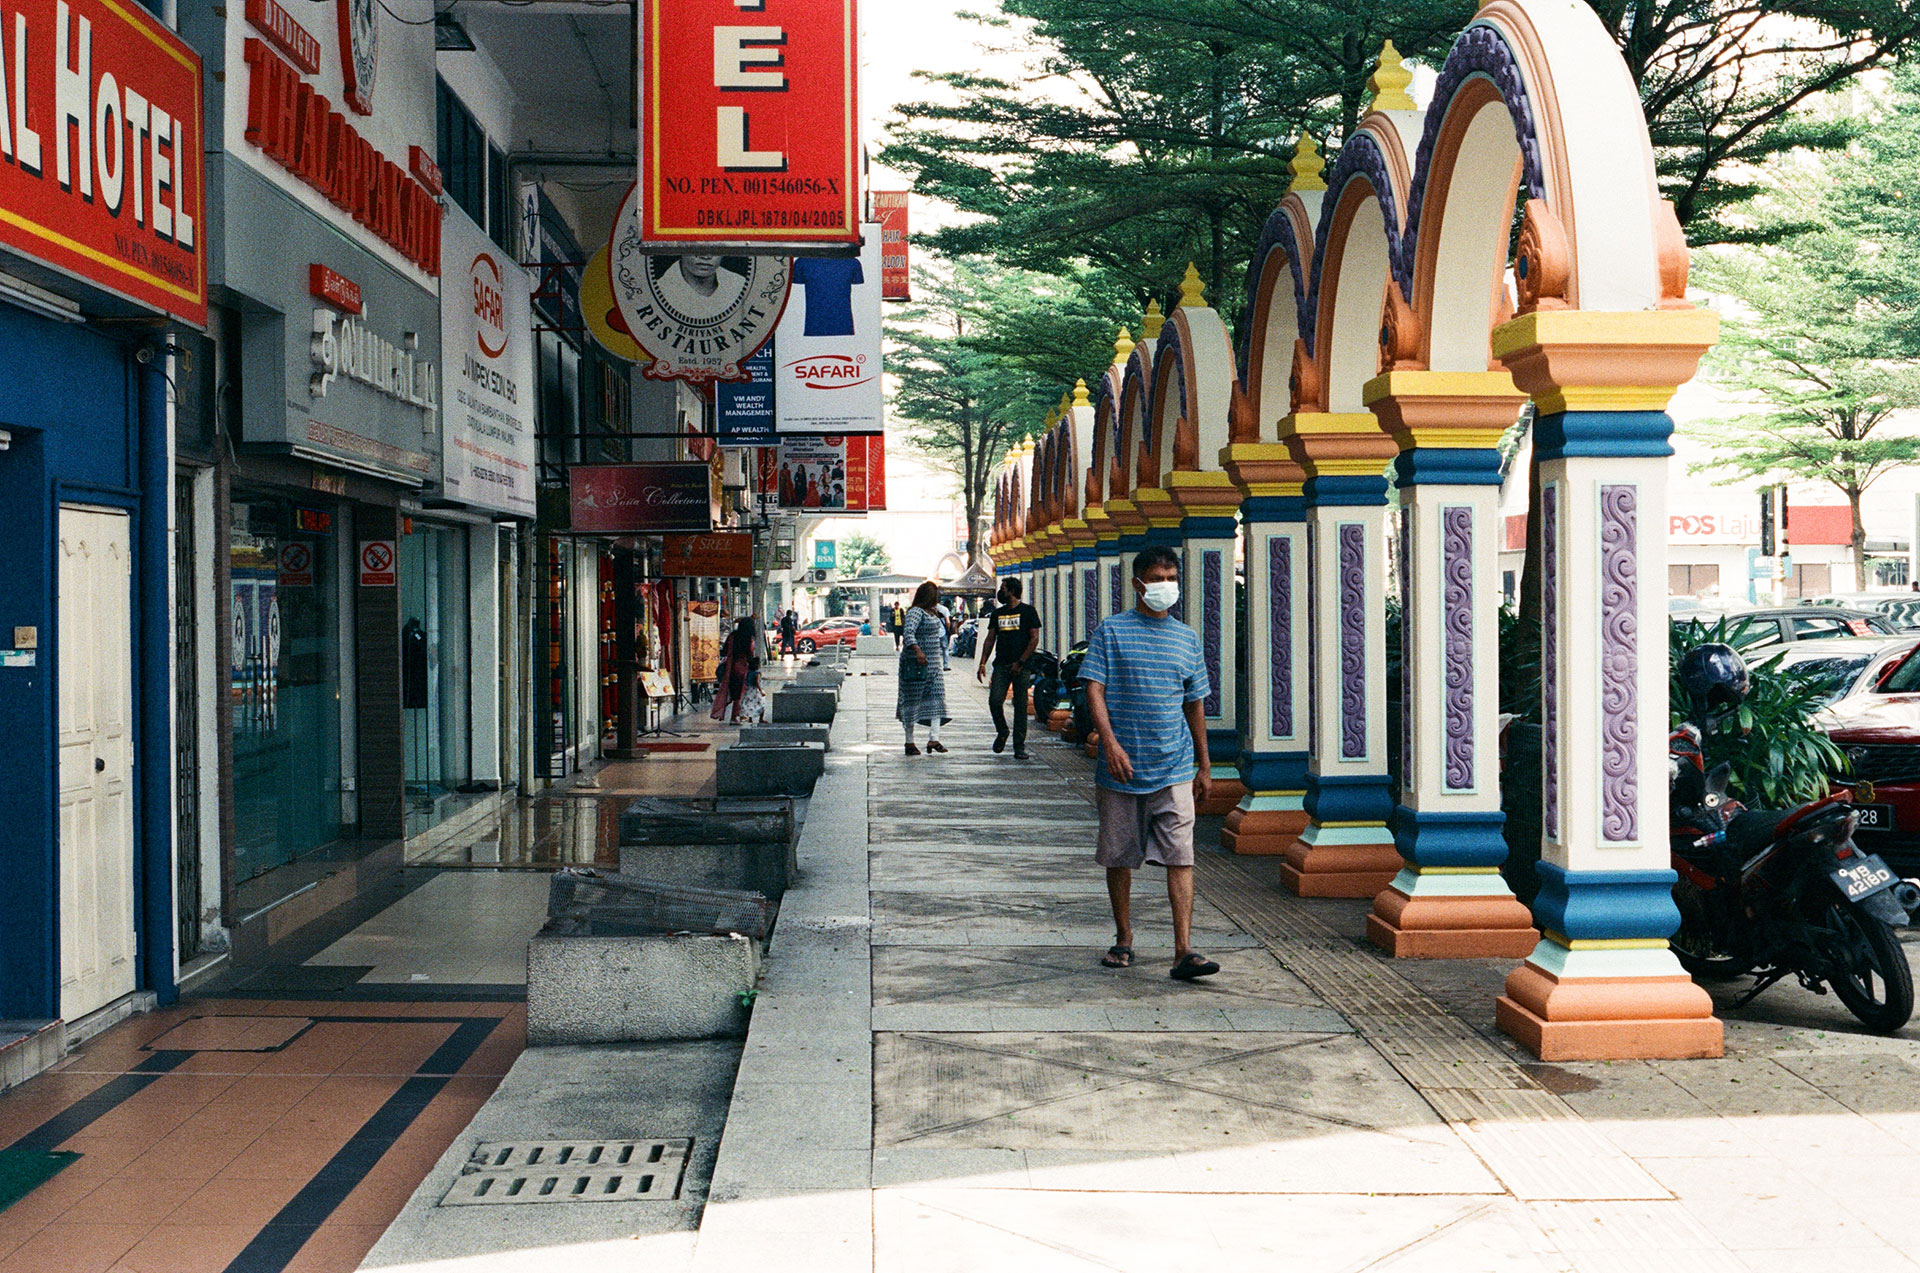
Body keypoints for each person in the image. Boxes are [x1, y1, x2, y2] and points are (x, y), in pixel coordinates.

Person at [1081, 547, 1218, 981]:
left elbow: (1194, 704)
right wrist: (1110, 743)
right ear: (1139, 583)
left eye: (1172, 577)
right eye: (1158, 578)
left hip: (1174, 766)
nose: (1166, 586)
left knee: (1182, 856)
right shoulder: (1112, 631)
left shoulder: (1187, 638)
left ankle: (1184, 950)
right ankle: (1123, 938)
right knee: (1119, 857)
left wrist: (1204, 764)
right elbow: (1094, 689)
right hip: (1121, 768)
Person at [977, 578, 1040, 758]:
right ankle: (1003, 730)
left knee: (1020, 706)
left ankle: (1019, 746)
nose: (1001, 592)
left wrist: (1021, 662)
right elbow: (990, 639)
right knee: (995, 701)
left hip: (1022, 667)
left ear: (1011, 591)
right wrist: (982, 662)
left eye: (1003, 588)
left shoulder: (1028, 612)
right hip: (1002, 665)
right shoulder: (998, 614)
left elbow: (1034, 638)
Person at [897, 581, 951, 755]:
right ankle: (909, 742)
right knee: (912, 701)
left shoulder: (933, 612)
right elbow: (908, 633)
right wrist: (918, 650)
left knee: (937, 700)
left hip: (934, 666)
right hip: (915, 666)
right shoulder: (915, 612)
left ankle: (934, 738)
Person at [710, 614, 762, 723]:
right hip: (742, 666)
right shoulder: (748, 639)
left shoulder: (732, 636)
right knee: (740, 693)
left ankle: (733, 714)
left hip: (731, 666)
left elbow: (724, 651)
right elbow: (749, 654)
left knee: (732, 691)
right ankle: (735, 716)